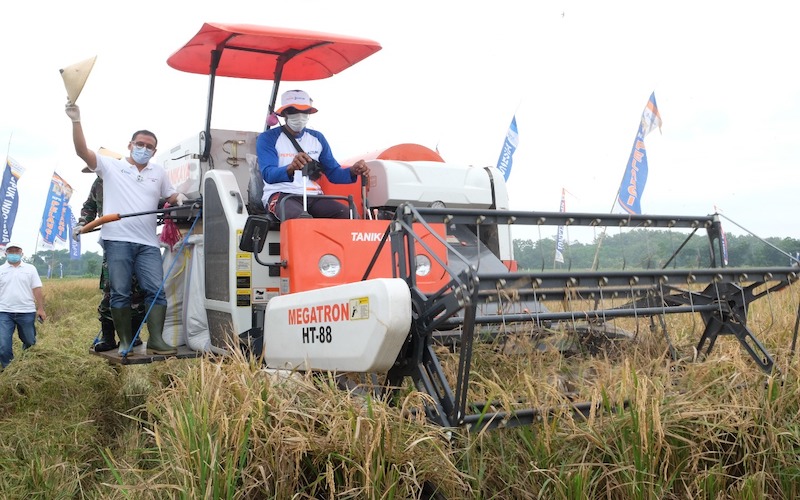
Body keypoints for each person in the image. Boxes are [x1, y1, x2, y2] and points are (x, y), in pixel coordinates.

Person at [66, 102, 186, 356]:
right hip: (116, 240)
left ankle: (155, 339)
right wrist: (76, 121)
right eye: (139, 144)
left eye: (149, 146)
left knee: (155, 291)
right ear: (130, 145)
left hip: (148, 244)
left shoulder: (159, 172)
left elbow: (169, 195)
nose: (144, 149)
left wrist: (178, 198)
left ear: (155, 151)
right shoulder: (112, 167)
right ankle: (123, 342)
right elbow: (81, 152)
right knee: (117, 293)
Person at [256, 89, 370, 220]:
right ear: (284, 114)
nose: (299, 115)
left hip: (314, 196)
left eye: (304, 111)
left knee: (349, 215)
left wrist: (353, 171)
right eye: (293, 111)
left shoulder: (317, 138)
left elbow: (333, 173)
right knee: (302, 222)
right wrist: (291, 167)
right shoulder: (268, 138)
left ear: (309, 113)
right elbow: (268, 174)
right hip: (282, 195)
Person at [73, 174, 145, 352]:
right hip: (112, 241)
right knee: (110, 289)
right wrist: (82, 223)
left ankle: (133, 337)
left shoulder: (130, 178)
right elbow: (89, 206)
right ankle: (108, 337)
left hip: (136, 239)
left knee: (135, 291)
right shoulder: (98, 183)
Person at [0, 242, 46, 369]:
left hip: (26, 311)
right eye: (11, 251)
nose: (14, 254)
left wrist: (41, 308)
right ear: (6, 253)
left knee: (30, 341)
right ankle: (8, 369)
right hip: (4, 312)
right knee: (3, 345)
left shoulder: (30, 269)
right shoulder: (1, 270)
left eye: (16, 251)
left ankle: (26, 363)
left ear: (22, 253)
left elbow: (37, 288)